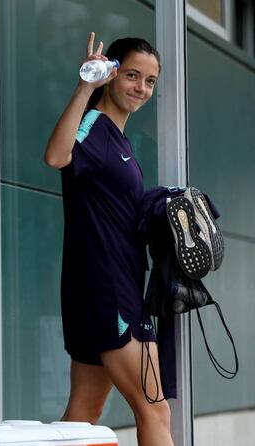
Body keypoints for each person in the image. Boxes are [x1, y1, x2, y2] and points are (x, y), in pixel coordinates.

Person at [44, 32, 175, 446]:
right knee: (155, 409)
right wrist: (86, 85)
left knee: (84, 415)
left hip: (103, 287)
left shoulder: (119, 141)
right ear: (112, 73)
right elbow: (56, 157)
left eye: (150, 81)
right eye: (133, 75)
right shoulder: (94, 126)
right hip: (108, 291)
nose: (141, 87)